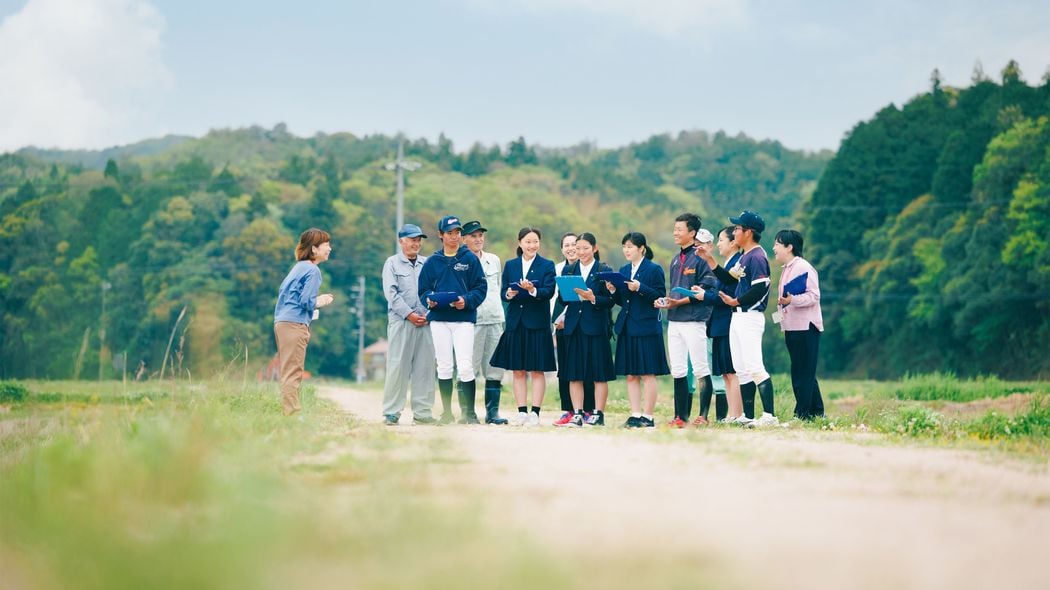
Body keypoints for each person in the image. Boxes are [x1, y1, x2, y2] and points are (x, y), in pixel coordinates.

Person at [417, 215, 487, 424]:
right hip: (439, 319)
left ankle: (470, 413)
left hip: (463, 319)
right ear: (440, 235)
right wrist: (429, 301)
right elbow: (423, 290)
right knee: (444, 365)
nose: (454, 237)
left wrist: (466, 301)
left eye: (457, 232)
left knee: (465, 365)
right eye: (450, 233)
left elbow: (481, 288)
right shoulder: (432, 261)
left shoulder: (469, 258)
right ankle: (447, 412)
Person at [716, 211, 778, 427]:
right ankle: (748, 416)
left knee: (754, 366)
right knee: (741, 369)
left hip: (750, 316)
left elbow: (760, 288)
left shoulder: (758, 256)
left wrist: (736, 301)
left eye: (737, 228)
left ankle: (770, 415)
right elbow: (727, 277)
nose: (734, 232)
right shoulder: (745, 256)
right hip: (738, 316)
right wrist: (710, 261)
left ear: (748, 232)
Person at [655, 213, 717, 428]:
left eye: (679, 229)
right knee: (679, 369)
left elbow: (707, 291)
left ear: (692, 233)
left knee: (700, 368)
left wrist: (678, 302)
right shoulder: (675, 259)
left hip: (694, 321)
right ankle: (680, 417)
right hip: (674, 321)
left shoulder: (701, 258)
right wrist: (667, 302)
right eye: (674, 229)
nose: (675, 232)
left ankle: (704, 416)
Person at [491, 227, 557, 426]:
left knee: (537, 369)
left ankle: (535, 413)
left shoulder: (547, 265)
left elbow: (549, 291)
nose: (532, 245)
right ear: (520, 243)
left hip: (537, 322)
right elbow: (503, 292)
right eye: (528, 242)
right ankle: (521, 411)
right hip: (516, 321)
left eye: (535, 241)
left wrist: (533, 289)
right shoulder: (511, 265)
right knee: (517, 369)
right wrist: (509, 294)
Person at [607, 232, 669, 428]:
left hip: (647, 327)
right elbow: (623, 300)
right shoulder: (624, 270)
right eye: (624, 246)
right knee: (631, 374)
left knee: (647, 373)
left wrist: (639, 287)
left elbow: (660, 296)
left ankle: (648, 416)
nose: (626, 250)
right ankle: (635, 414)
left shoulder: (654, 269)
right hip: (627, 326)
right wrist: (613, 291)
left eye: (630, 246)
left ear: (641, 248)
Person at [554, 232, 616, 427]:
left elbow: (612, 300)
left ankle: (598, 413)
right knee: (574, 373)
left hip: (596, 326)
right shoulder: (569, 270)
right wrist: (568, 291)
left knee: (599, 373)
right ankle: (578, 413)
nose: (580, 252)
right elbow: (563, 299)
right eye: (578, 248)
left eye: (585, 248)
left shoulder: (604, 270)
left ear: (594, 248)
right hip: (574, 326)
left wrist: (593, 298)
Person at [273, 228, 334, 416]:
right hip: (294, 324)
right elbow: (306, 301)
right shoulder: (313, 270)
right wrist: (321, 301)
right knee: (293, 372)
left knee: (288, 370)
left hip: (282, 323)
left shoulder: (298, 267)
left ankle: (290, 412)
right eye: (326, 245)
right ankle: (292, 414)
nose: (330, 249)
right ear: (314, 249)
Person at [380, 223, 437, 425]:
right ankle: (392, 412)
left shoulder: (427, 263)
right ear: (401, 241)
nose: (416, 243)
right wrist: (410, 314)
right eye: (412, 239)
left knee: (425, 368)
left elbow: (435, 290)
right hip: (401, 322)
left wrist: (430, 313)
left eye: (418, 240)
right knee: (398, 366)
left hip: (427, 322)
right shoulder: (392, 263)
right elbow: (391, 294)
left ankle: (422, 413)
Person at [773, 229, 826, 420]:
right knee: (804, 371)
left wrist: (792, 300)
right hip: (792, 326)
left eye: (777, 244)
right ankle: (817, 413)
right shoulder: (787, 268)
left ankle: (802, 414)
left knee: (802, 373)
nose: (774, 248)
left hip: (806, 327)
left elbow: (814, 296)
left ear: (789, 247)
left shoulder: (803, 267)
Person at [694, 226, 744, 424]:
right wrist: (703, 292)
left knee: (732, 371)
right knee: (725, 372)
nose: (719, 244)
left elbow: (728, 295)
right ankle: (732, 415)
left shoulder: (737, 263)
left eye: (722, 240)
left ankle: (737, 414)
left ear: (733, 242)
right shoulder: (728, 263)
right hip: (719, 323)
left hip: (728, 321)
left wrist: (705, 296)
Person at [462, 220, 509, 425]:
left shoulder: (494, 260)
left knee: (494, 369)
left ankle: (492, 414)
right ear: (464, 239)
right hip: (471, 321)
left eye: (481, 235)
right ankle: (468, 414)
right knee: (468, 368)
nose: (478, 239)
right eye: (473, 236)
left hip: (495, 319)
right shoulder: (459, 261)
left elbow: (497, 288)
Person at [552, 232, 596, 426]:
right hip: (562, 323)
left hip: (583, 323)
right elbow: (556, 300)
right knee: (565, 368)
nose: (571, 249)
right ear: (562, 249)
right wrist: (555, 323)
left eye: (574, 245)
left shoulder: (590, 267)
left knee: (586, 367)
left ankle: (587, 409)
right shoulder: (559, 269)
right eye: (567, 245)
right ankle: (568, 410)